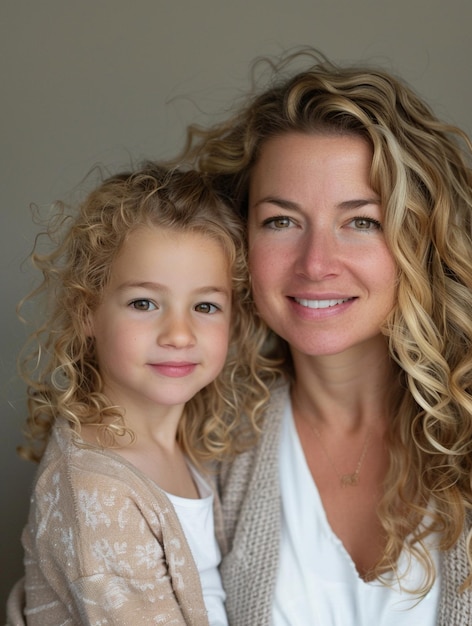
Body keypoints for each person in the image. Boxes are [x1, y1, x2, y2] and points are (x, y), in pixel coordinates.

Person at [175, 48, 472, 625]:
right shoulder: (192, 438)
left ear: (423, 240)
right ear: (238, 242)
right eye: (281, 221)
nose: (316, 264)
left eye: (361, 221)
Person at [6, 164, 277, 625]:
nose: (178, 333)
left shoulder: (193, 444)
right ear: (87, 310)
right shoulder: (98, 493)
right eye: (144, 303)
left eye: (206, 306)